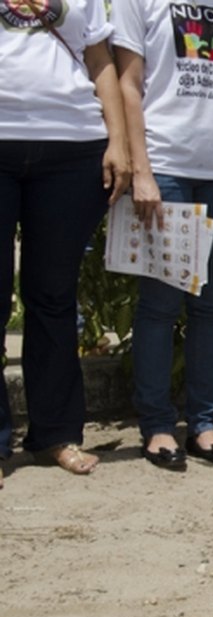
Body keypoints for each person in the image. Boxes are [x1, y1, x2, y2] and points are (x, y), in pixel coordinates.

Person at [114, 0, 213, 469]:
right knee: (159, 305)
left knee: (210, 305)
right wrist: (142, 170)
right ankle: (157, 426)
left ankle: (203, 422)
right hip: (167, 165)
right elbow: (129, 84)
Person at [0, 0, 131, 481]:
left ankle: (55, 433)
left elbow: (101, 62)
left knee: (53, 295)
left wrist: (117, 142)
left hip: (73, 147)